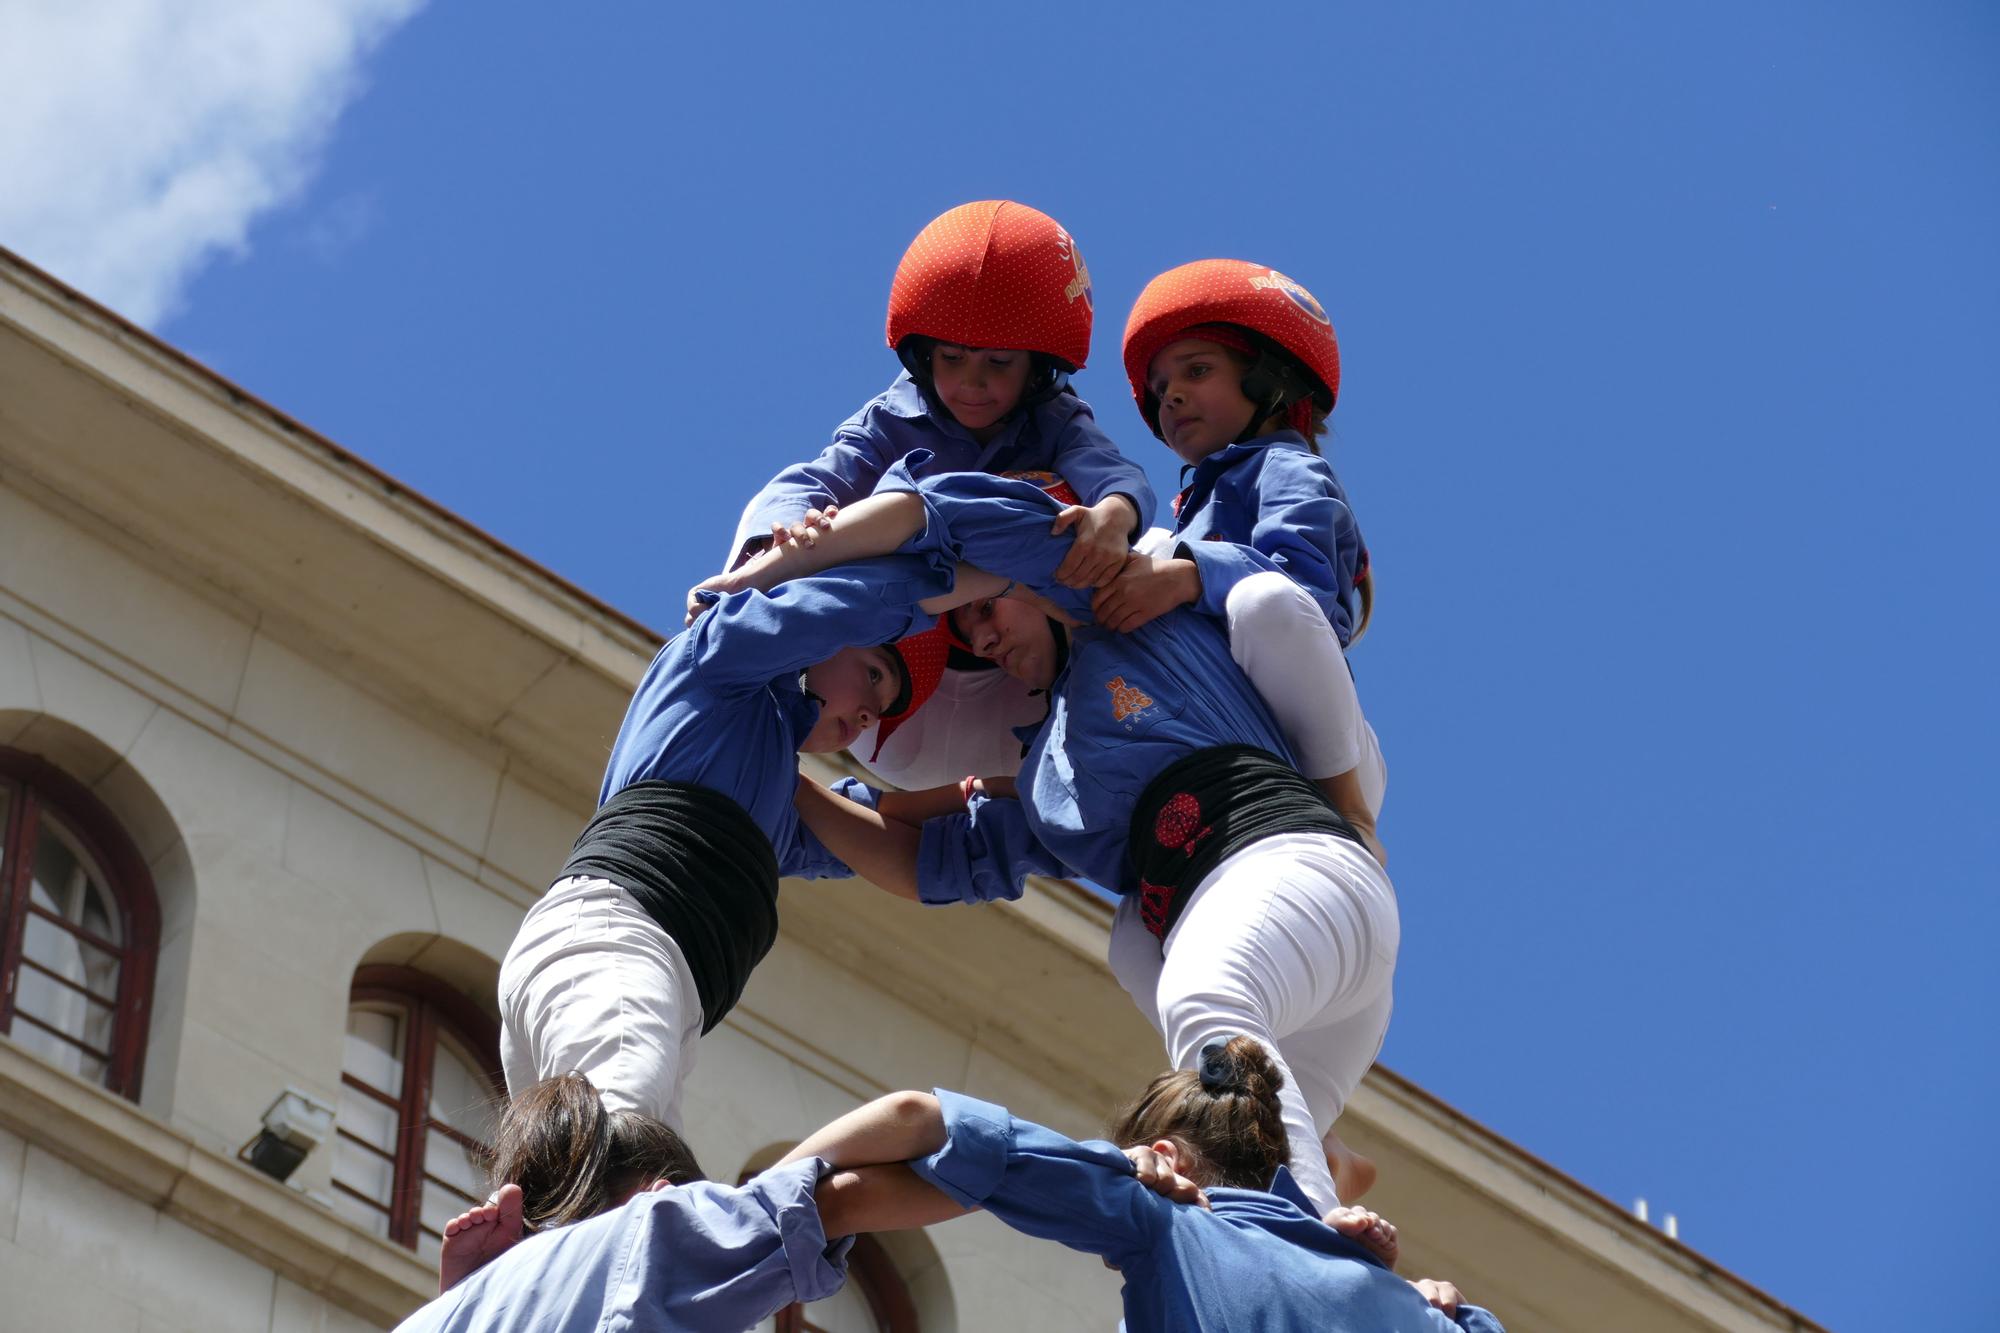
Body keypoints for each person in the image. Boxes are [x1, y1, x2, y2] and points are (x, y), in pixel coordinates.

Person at [706, 469, 1398, 1215]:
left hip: (1293, 870)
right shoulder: (1046, 781)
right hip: (1302, 986)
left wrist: (771, 573)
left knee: (1202, 999)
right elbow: (928, 856)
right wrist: (788, 783)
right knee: (1227, 1161)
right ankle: (1324, 1177)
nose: (981, 634)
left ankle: (1316, 1221)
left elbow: (953, 515)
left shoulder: (1127, 604)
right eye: (965, 630)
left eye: (985, 606)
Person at [499, 559, 957, 1141]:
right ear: (824, 637)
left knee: (600, 1183)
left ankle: (513, 1227)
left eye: (881, 710)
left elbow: (888, 826)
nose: (869, 714)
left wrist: (999, 789)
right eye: (872, 673)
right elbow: (818, 606)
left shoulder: (776, 804)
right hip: (619, 939)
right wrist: (960, 572)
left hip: (650, 981)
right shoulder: (719, 664)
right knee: (626, 1143)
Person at [721, 200, 1157, 787]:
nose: (971, 383)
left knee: (1143, 546)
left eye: (998, 363)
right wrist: (775, 543)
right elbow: (813, 480)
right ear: (922, 355)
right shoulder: (891, 419)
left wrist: (1113, 513)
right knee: (793, 538)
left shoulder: (1057, 421)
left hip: (1015, 675)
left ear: (1038, 368)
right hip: (909, 672)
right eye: (951, 359)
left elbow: (1111, 473)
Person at [900, 1037, 1504, 1332]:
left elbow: (933, 1125)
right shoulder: (1424, 1311)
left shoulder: (1171, 1231)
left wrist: (806, 1185)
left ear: (1168, 1159)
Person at [1097, 258, 1387, 855]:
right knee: (1138, 939)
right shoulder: (1185, 513)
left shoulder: (1285, 470)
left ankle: (1352, 818)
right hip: (1237, 739)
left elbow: (1300, 593)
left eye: (1197, 370)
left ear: (1267, 382)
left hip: (1327, 746)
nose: (1171, 395)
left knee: (1259, 601)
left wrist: (1187, 576)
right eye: (1159, 391)